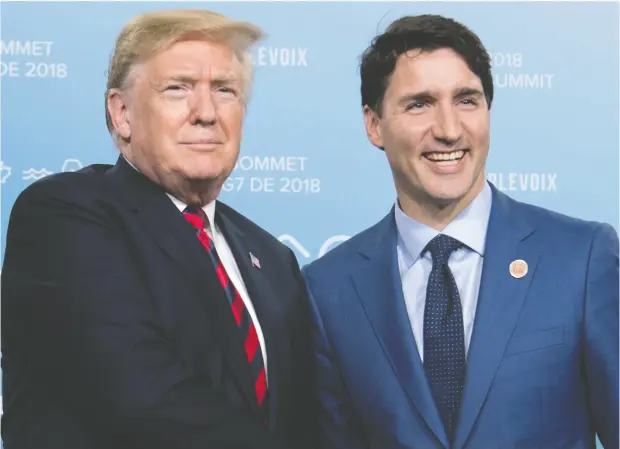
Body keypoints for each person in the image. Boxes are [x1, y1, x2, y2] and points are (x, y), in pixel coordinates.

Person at [302, 14, 618, 449]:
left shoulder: (580, 259)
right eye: (420, 104)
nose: (449, 130)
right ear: (374, 124)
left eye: (467, 100)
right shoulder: (328, 289)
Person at [1, 9, 314, 449]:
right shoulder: (63, 216)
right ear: (122, 113)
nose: (206, 113)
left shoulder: (273, 259)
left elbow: (302, 419)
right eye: (178, 89)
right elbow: (142, 398)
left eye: (224, 90)